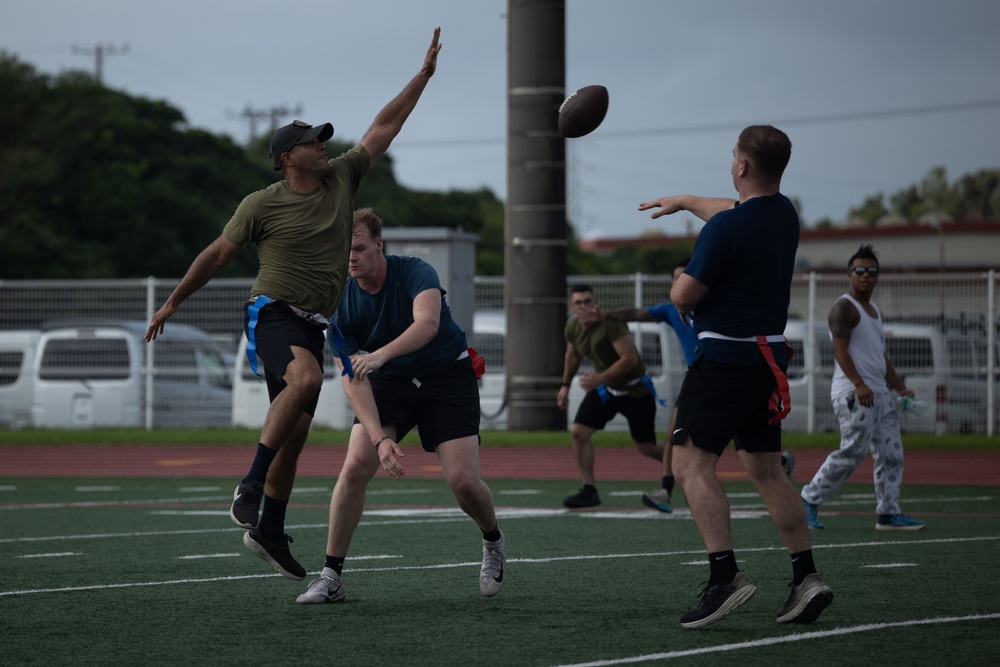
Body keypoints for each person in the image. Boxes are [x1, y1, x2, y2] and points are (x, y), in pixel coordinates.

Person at [144, 29, 443, 580]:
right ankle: (251, 485)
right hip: (273, 311)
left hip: (314, 323)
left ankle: (270, 529)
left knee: (296, 436)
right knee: (305, 383)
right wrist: (171, 305)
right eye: (312, 141)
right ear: (287, 158)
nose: (323, 145)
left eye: (323, 139)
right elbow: (214, 256)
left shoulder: (341, 179)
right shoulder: (262, 203)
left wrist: (421, 77)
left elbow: (384, 126)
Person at [642, 125, 833, 629]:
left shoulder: (724, 231)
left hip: (724, 359)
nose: (731, 163)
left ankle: (725, 576)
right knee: (768, 471)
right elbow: (732, 209)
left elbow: (683, 296)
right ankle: (806, 577)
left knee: (688, 465)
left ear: (743, 166)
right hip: (768, 357)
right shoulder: (784, 214)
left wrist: (690, 276)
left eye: (733, 157)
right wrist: (685, 200)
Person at [296, 209, 505, 604]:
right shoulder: (340, 298)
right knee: (355, 467)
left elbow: (426, 325)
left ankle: (493, 540)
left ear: (379, 244)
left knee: (462, 480)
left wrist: (378, 356)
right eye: (344, 250)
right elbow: (350, 374)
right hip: (389, 382)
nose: (351, 258)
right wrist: (379, 440)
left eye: (358, 247)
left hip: (445, 375)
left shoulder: (415, 271)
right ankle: (331, 576)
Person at [578, 258, 797, 514]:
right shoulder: (671, 312)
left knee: (743, 438)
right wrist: (604, 315)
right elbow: (637, 314)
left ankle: (779, 461)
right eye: (676, 279)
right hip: (700, 380)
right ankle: (665, 492)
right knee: (676, 430)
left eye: (686, 278)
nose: (680, 284)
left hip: (730, 378)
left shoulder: (716, 307)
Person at [800, 245, 926, 531]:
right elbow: (838, 349)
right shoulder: (844, 307)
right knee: (852, 452)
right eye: (859, 271)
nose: (865, 276)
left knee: (892, 455)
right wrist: (859, 384)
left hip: (880, 395)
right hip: (855, 393)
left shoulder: (874, 311)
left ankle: (888, 513)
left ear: (878, 276)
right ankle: (808, 498)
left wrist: (901, 388)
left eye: (871, 271)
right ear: (849, 274)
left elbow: (880, 356)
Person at [557, 284, 666, 509]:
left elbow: (629, 360)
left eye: (588, 301)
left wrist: (599, 378)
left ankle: (684, 466)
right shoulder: (572, 327)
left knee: (646, 447)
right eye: (578, 302)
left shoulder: (610, 324)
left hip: (635, 390)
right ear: (571, 307)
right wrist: (565, 385)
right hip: (606, 391)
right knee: (578, 431)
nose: (584, 306)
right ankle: (589, 490)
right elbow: (573, 355)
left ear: (595, 302)